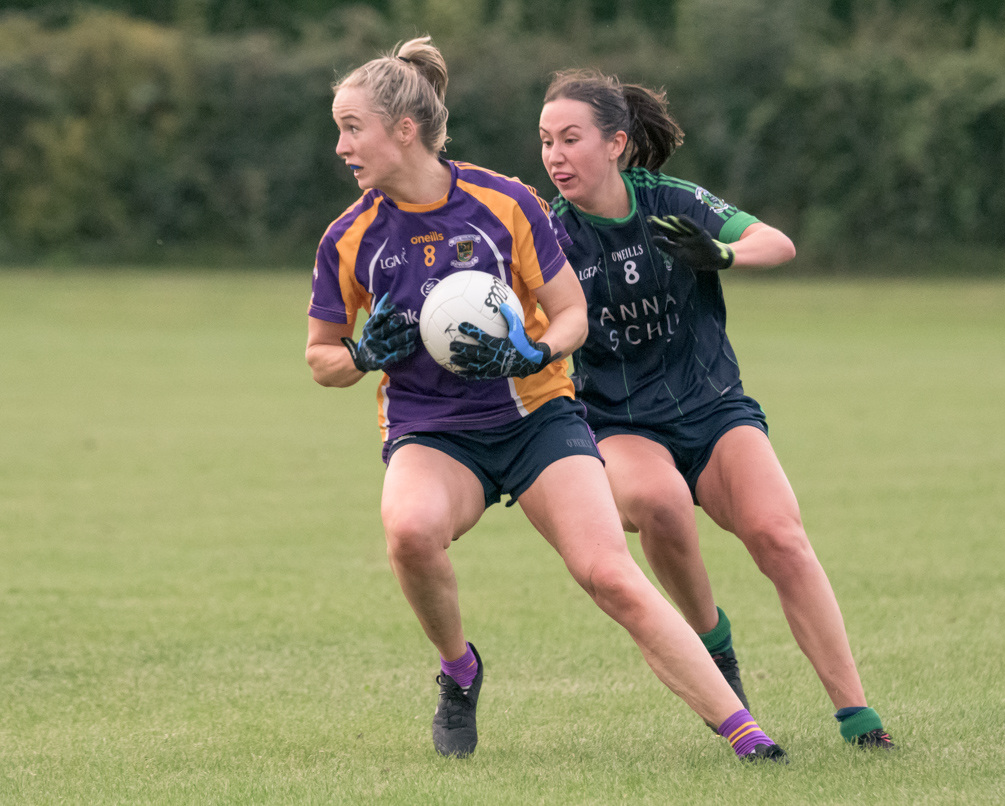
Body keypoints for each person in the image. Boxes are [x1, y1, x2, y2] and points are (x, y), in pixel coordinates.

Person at [305, 38, 787, 762]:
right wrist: (362, 355)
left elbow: (571, 315)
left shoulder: (506, 202)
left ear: (403, 129)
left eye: (351, 126)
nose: (341, 145)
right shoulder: (349, 238)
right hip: (434, 431)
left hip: (537, 417)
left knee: (608, 575)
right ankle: (459, 671)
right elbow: (321, 358)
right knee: (408, 531)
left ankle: (746, 735)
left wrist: (532, 353)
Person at [538, 69, 895, 749]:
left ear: (615, 143)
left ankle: (857, 716)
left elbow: (777, 243)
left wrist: (722, 252)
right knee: (660, 503)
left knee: (779, 537)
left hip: (712, 407)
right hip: (618, 422)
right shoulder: (550, 235)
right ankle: (713, 640)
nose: (555, 155)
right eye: (546, 141)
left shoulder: (669, 200)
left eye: (570, 138)